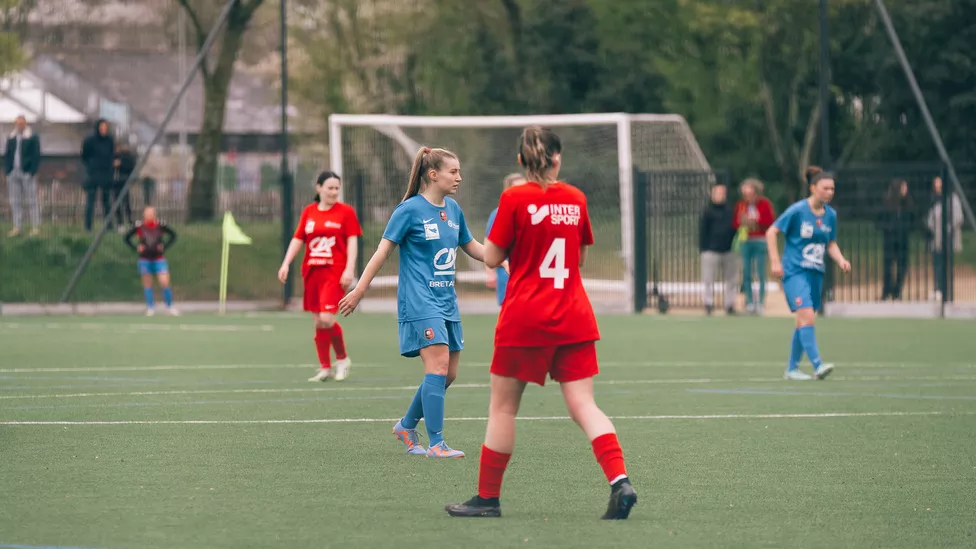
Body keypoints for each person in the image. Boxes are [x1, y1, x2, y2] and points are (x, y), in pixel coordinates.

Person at [445, 126, 637, 520]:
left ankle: (487, 499)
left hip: (526, 317)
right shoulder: (576, 198)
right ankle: (620, 481)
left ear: (520, 161)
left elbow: (495, 258)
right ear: (557, 158)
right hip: (574, 316)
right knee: (584, 404)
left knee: (502, 410)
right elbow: (579, 259)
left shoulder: (513, 198)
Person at [338, 146, 487, 459]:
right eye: (453, 171)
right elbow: (382, 252)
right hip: (420, 302)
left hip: (447, 302)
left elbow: (473, 247)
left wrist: (506, 257)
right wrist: (359, 289)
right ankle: (436, 443)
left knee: (448, 374)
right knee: (438, 365)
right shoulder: (408, 211)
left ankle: (406, 426)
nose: (459, 177)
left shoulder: (454, 210)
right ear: (433, 175)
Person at [766, 168, 851, 381]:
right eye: (826, 188)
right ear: (813, 188)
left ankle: (792, 369)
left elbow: (830, 243)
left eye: (832, 188)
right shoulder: (797, 211)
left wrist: (840, 260)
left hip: (816, 273)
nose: (830, 192)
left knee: (803, 320)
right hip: (795, 272)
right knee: (807, 316)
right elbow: (771, 232)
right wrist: (776, 261)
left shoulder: (831, 215)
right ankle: (818, 365)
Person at [278, 171, 362, 382]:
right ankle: (325, 367)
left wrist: (349, 269)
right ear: (319, 188)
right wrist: (286, 263)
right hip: (312, 272)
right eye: (330, 188)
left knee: (327, 318)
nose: (334, 192)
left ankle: (342, 359)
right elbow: (298, 239)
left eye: (337, 188)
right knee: (318, 322)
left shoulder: (346, 212)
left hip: (335, 272)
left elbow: (352, 242)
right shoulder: (309, 212)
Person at [124, 206, 178, 316]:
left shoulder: (160, 225)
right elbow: (126, 238)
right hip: (144, 259)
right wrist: (136, 248)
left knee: (164, 282)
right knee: (147, 283)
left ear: (155, 214)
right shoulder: (139, 226)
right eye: (147, 213)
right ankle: (150, 307)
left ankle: (170, 306)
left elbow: (173, 235)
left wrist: (164, 246)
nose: (149, 215)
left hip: (159, 258)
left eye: (151, 213)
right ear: (144, 215)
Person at [733, 178, 775, 314]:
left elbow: (770, 221)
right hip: (746, 240)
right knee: (746, 272)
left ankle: (761, 302)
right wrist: (742, 221)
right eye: (744, 190)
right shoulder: (741, 205)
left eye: (749, 189)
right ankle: (749, 302)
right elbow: (735, 222)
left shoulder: (764, 204)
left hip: (760, 239)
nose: (746, 192)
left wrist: (754, 221)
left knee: (761, 272)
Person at [485, 173, 526, 305]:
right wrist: (490, 273)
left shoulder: (535, 213)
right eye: (517, 188)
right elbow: (489, 245)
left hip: (529, 277)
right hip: (508, 276)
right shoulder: (499, 213)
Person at [699, 182, 738, 315]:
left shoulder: (730, 210)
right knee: (708, 279)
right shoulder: (707, 211)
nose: (720, 195)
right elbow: (703, 231)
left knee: (731, 279)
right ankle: (708, 303)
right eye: (717, 193)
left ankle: (729, 304)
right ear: (712, 194)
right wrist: (704, 248)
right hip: (710, 250)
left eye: (722, 193)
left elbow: (735, 228)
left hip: (728, 250)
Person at [926, 176, 964, 300]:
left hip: (948, 237)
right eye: (935, 183)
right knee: (936, 264)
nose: (937, 186)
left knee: (945, 264)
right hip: (936, 237)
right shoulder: (933, 199)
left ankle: (945, 290)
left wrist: (947, 228)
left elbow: (958, 217)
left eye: (939, 183)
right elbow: (930, 216)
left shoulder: (952, 199)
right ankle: (938, 289)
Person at [4, 115, 41, 237]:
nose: (20, 126)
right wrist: (7, 170)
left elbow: (36, 155)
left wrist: (31, 171)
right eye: (18, 124)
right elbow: (7, 155)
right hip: (13, 173)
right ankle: (17, 227)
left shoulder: (32, 137)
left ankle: (35, 227)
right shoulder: (11, 137)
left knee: (32, 201)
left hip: (26, 173)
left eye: (22, 124)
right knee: (15, 201)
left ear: (25, 124)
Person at [878, 179, 915, 300]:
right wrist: (888, 228)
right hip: (890, 238)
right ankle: (886, 290)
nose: (905, 190)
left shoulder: (907, 202)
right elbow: (880, 219)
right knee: (888, 266)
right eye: (903, 187)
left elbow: (912, 217)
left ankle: (897, 291)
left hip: (903, 238)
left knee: (902, 266)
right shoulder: (888, 202)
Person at [81, 119, 115, 232]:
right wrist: (91, 166)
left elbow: (112, 155)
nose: (104, 129)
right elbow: (84, 155)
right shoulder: (89, 140)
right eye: (102, 127)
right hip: (93, 173)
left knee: (106, 201)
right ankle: (88, 226)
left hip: (106, 173)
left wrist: (110, 169)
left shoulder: (110, 140)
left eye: (105, 127)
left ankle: (109, 226)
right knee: (91, 201)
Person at [113, 143, 137, 230]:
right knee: (117, 203)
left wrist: (120, 164)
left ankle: (130, 221)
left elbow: (131, 166)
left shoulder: (127, 156)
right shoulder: (114, 156)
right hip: (115, 182)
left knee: (126, 202)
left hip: (124, 181)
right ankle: (120, 223)